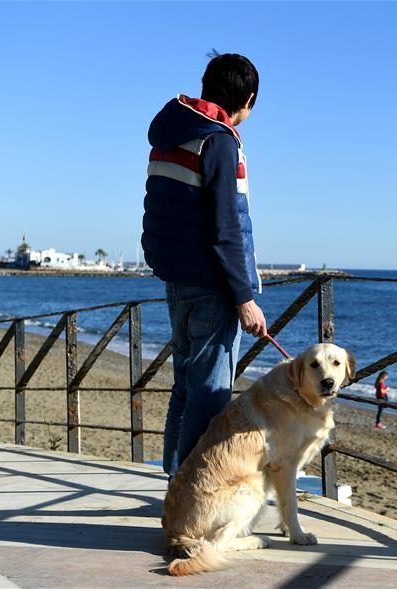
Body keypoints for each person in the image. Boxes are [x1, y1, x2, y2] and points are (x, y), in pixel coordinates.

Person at [141, 52, 267, 477]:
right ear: (248, 99)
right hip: (212, 284)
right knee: (210, 395)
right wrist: (245, 298)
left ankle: (175, 485)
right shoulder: (219, 140)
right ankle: (192, 491)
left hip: (176, 276)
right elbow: (224, 228)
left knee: (184, 388)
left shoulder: (172, 132)